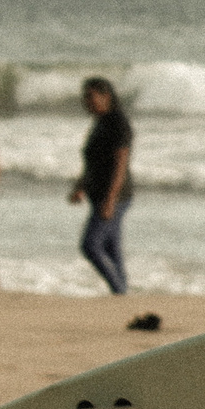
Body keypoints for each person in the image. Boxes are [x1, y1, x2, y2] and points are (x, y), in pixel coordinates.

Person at [69, 77, 133, 294]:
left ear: (106, 96)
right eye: (84, 97)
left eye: (90, 97)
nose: (86, 102)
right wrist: (80, 186)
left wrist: (111, 200)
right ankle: (121, 292)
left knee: (91, 245)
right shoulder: (100, 123)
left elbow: (120, 165)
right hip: (99, 195)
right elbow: (92, 161)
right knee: (111, 247)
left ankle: (119, 290)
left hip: (116, 196)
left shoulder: (118, 123)